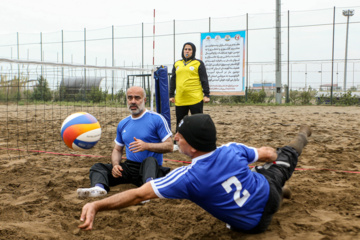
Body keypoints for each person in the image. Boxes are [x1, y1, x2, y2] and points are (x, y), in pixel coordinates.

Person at [78, 114, 312, 233]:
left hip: (252, 226)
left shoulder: (188, 177)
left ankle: (281, 190)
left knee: (260, 188)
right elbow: (267, 153)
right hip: (266, 189)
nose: (176, 138)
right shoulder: (231, 149)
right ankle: (300, 140)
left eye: (180, 136)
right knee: (283, 157)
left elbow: (138, 195)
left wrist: (97, 206)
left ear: (193, 144)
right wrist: (273, 159)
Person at [77, 86, 173, 198]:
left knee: (150, 160)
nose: (133, 101)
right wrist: (116, 165)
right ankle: (99, 188)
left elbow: (170, 146)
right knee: (97, 167)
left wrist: (147, 146)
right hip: (130, 167)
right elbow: (117, 149)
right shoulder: (123, 123)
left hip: (150, 168)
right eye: (130, 98)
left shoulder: (157, 119)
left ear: (145, 100)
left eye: (137, 98)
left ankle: (147, 191)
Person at [169, 42, 210, 135]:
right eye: (185, 49)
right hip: (180, 99)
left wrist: (207, 94)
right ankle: (178, 143)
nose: (187, 51)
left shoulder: (198, 63)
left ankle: (198, 142)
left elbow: (204, 79)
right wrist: (171, 94)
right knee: (180, 122)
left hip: (195, 99)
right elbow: (173, 80)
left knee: (198, 121)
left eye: (189, 49)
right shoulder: (177, 64)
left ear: (193, 51)